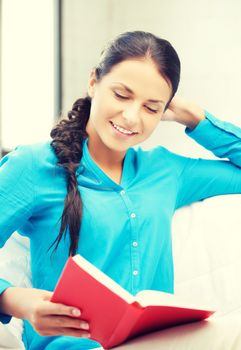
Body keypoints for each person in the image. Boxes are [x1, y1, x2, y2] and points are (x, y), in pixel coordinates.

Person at [0, 30, 241, 350]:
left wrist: (194, 117)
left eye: (151, 108)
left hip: (159, 340)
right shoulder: (33, 165)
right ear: (93, 82)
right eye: (122, 95)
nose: (131, 117)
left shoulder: (166, 171)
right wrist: (15, 300)